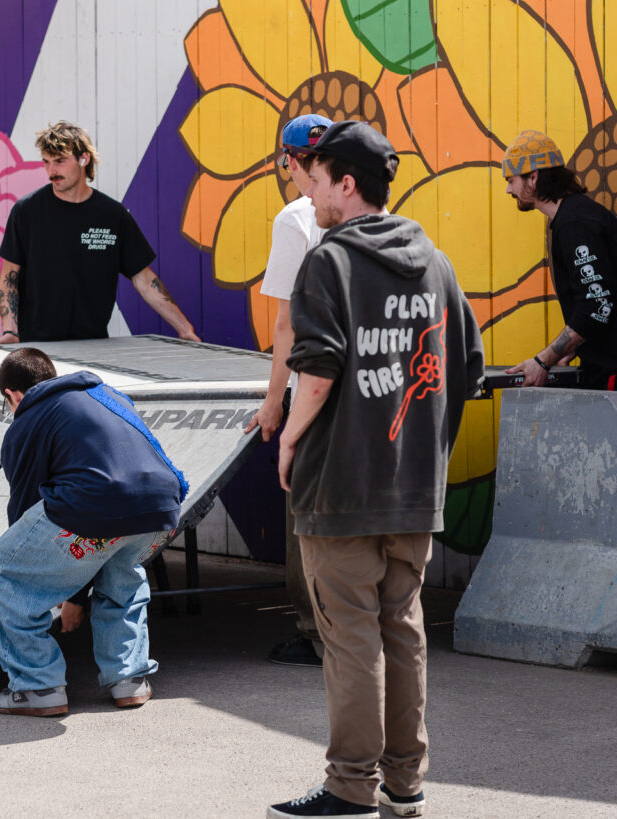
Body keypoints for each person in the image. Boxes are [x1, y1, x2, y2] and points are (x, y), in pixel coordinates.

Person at [268, 121, 484, 818]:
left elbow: (319, 368)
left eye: (320, 178)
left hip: (343, 486)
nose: (313, 191)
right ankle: (405, 783)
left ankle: (350, 784)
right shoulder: (436, 263)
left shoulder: (328, 262)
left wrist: (289, 439)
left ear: (347, 183)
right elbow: (468, 368)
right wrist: (429, 451)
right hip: (414, 486)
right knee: (404, 628)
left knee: (352, 635)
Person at [0, 347, 186, 717]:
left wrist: (62, 598)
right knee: (121, 570)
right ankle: (129, 679)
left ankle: (37, 685)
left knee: (4, 566)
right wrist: (76, 594)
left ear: (12, 395)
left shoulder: (27, 421)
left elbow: (26, 516)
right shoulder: (107, 395)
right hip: (162, 507)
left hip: (96, 506)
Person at [245, 113, 332, 668]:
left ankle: (315, 630)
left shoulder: (296, 218)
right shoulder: (381, 214)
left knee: (305, 508)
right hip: (376, 385)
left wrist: (275, 399)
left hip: (315, 383)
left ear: (290, 160)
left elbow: (285, 325)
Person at [0, 120, 200, 344]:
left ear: (84, 159)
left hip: (94, 345)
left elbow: (144, 279)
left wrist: (184, 329)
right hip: (37, 346)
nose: (51, 171)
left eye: (60, 161)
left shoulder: (112, 215)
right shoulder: (27, 211)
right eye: (46, 162)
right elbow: (9, 277)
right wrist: (10, 331)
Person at [501, 130, 617, 390]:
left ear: (533, 177)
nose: (508, 189)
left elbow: (597, 305)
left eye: (511, 179)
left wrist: (543, 361)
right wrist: (573, 347)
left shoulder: (576, 225)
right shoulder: (574, 218)